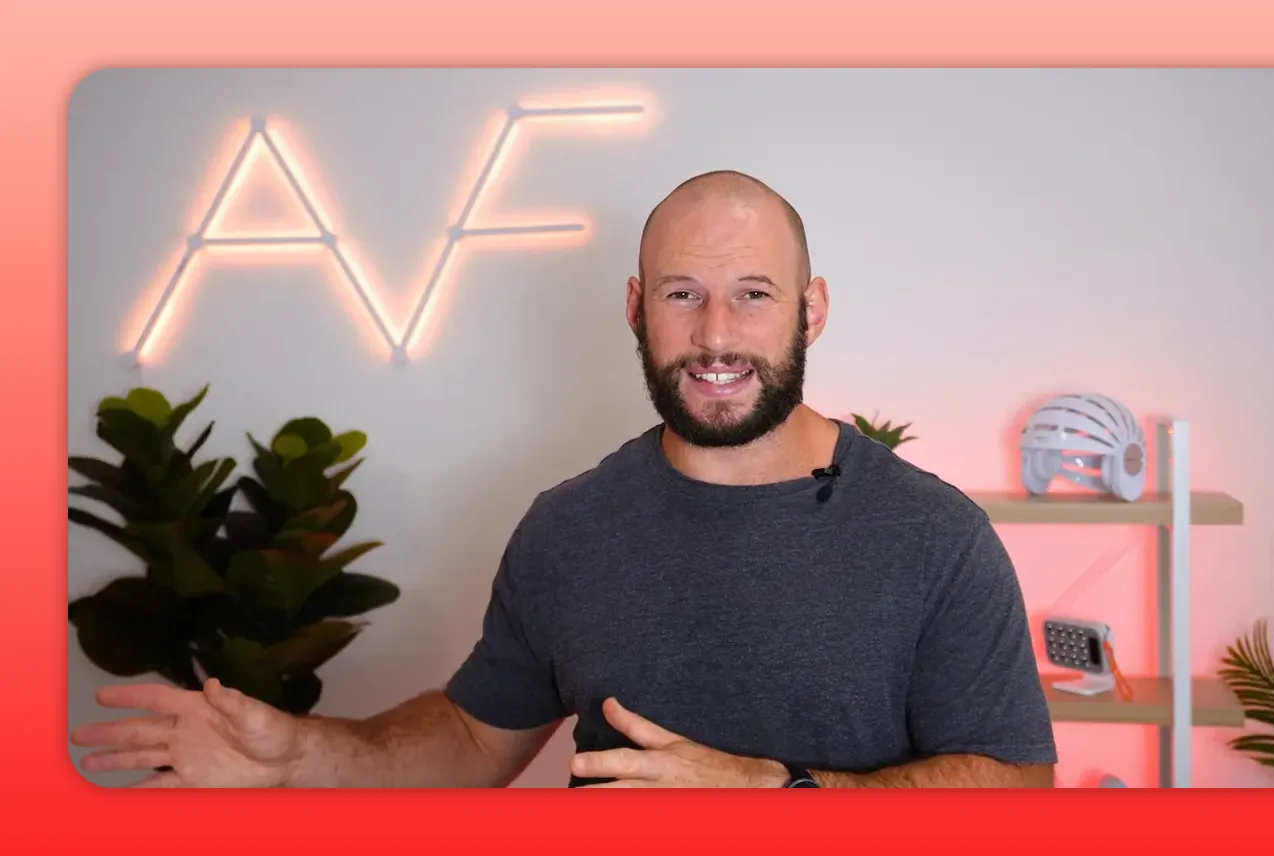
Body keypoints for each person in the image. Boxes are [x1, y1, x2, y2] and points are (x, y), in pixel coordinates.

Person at [70, 170, 1058, 788]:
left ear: (813, 310)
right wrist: (301, 755)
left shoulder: (932, 534)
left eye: (753, 295)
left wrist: (777, 791)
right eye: (683, 294)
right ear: (636, 308)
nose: (716, 334)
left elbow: (1015, 787)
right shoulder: (571, 528)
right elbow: (471, 742)